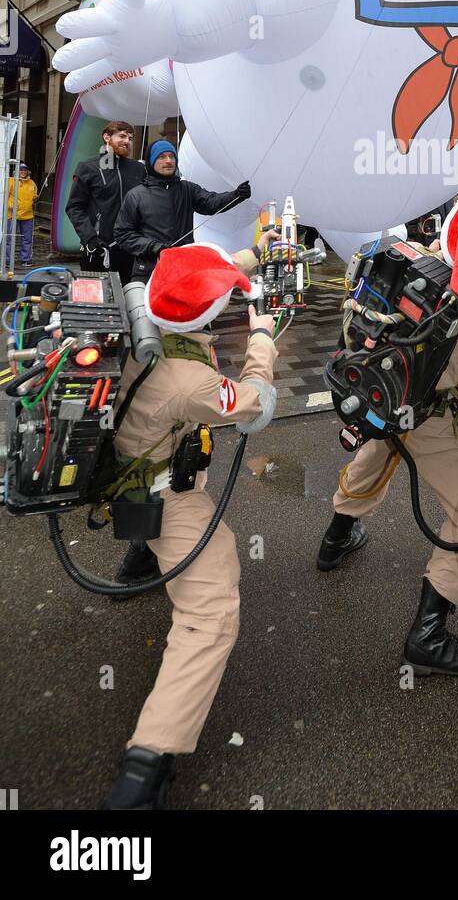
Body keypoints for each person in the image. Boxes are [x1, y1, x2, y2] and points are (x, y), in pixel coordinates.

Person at [104, 234, 279, 809]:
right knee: (210, 613)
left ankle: (140, 556)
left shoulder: (143, 308)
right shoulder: (189, 382)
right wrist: (261, 340)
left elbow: (196, 274)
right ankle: (144, 768)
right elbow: (255, 407)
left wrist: (256, 253)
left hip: (134, 462)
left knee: (167, 500)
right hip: (163, 491)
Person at [317, 198, 458, 677]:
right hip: (433, 418)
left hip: (379, 399)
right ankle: (429, 634)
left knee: (372, 459)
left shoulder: (403, 262)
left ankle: (335, 539)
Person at [114, 139, 251, 280]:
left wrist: (236, 195)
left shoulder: (187, 189)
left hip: (184, 270)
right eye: (162, 157)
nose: (168, 161)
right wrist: (152, 247)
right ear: (151, 161)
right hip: (148, 272)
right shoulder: (136, 195)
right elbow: (122, 234)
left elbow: (211, 203)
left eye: (172, 156)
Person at [65, 121, 145, 283]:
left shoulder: (139, 169)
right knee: (97, 297)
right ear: (107, 137)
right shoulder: (88, 168)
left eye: (130, 138)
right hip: (100, 250)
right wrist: (90, 239)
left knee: (131, 297)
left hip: (132, 250)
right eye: (122, 136)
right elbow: (74, 207)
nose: (127, 141)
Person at [5, 162, 37, 268]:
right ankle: (7, 261)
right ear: (16, 171)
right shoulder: (11, 181)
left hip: (28, 216)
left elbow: (35, 195)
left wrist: (35, 199)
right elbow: (5, 196)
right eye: (21, 170)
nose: (23, 172)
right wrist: (12, 206)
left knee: (27, 239)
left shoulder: (32, 183)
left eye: (24, 170)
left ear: (27, 172)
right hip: (12, 215)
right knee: (9, 239)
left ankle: (26, 260)